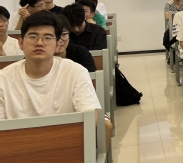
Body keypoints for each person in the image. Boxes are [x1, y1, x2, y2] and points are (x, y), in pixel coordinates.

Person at [0, 12, 111, 148]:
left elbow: (90, 114)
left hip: (66, 148)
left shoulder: (75, 72)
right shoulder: (3, 78)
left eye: (47, 38)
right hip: (19, 151)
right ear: (21, 43)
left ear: (58, 44)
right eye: (33, 37)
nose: (39, 43)